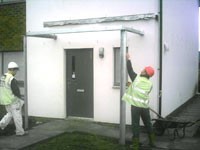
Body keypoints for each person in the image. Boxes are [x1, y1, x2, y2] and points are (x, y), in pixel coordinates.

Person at [122, 53, 155, 150]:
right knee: (148, 124)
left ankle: (135, 145)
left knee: (135, 126)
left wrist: (128, 59)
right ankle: (152, 142)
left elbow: (130, 70)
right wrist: (131, 86)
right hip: (145, 107)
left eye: (144, 70)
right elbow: (143, 92)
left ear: (145, 73)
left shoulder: (136, 78)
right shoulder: (150, 84)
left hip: (135, 107)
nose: (142, 70)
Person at [0, 62, 27, 136]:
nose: (16, 72)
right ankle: (20, 132)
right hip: (13, 101)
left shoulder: (3, 77)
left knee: (10, 114)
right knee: (17, 116)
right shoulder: (12, 79)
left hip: (5, 100)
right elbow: (16, 91)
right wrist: (21, 99)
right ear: (12, 69)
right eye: (16, 70)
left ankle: (1, 124)